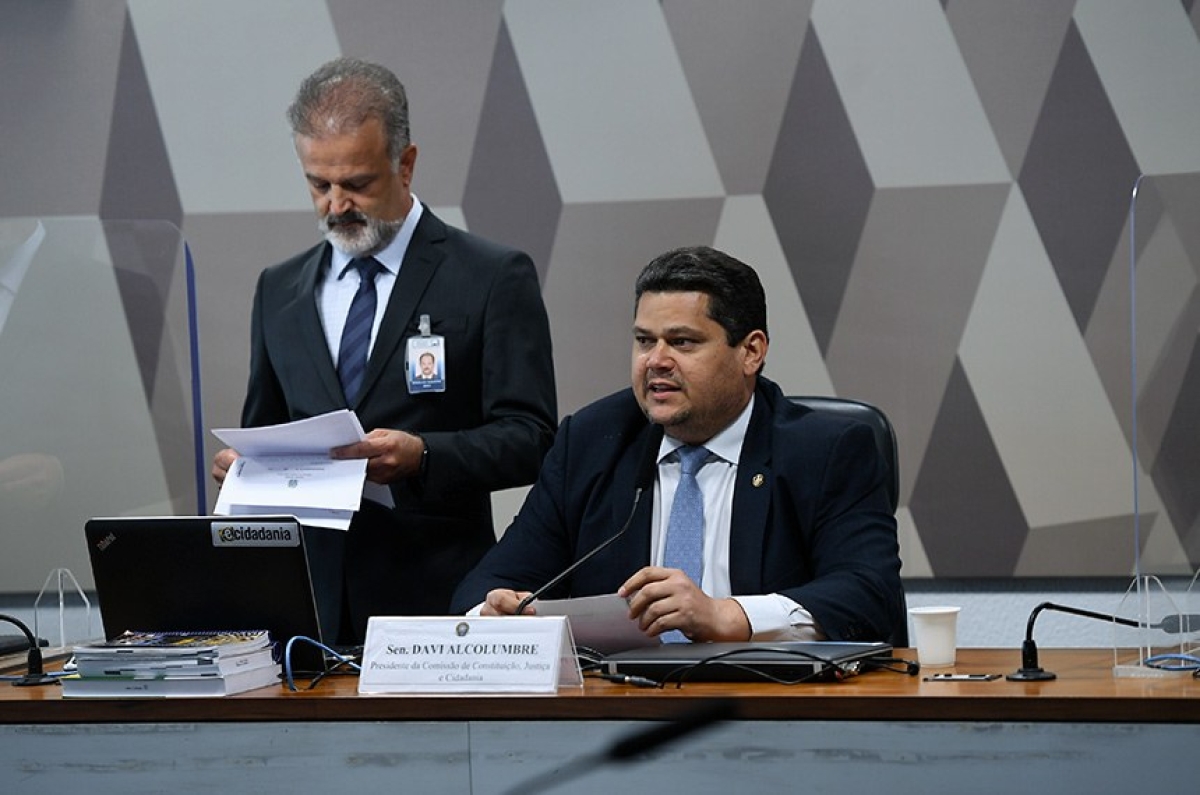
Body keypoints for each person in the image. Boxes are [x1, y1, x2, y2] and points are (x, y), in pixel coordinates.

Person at [213, 57, 557, 644]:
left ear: (406, 163)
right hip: (306, 609)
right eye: (318, 184)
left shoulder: (492, 275)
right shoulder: (279, 290)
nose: (336, 205)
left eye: (357, 183)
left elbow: (531, 438)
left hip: (437, 600)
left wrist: (424, 455)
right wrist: (245, 472)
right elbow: (266, 427)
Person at [451, 246, 903, 644]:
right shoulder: (592, 443)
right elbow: (487, 584)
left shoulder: (825, 451)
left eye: (683, 342)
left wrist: (727, 615)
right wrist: (494, 615)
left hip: (769, 712)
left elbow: (868, 595)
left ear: (751, 352)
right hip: (616, 713)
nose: (656, 362)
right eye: (644, 341)